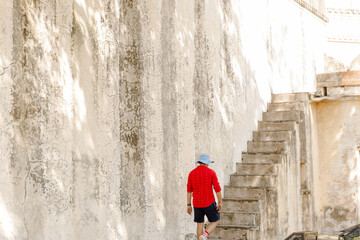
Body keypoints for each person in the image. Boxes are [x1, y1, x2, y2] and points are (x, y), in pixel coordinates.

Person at [187, 154, 222, 240]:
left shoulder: (192, 173)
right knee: (215, 221)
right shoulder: (211, 172)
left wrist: (188, 205)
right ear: (206, 163)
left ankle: (201, 237)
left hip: (197, 204)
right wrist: (220, 202)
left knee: (200, 224)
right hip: (209, 202)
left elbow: (189, 191)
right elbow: (217, 189)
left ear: (199, 162)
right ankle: (205, 234)